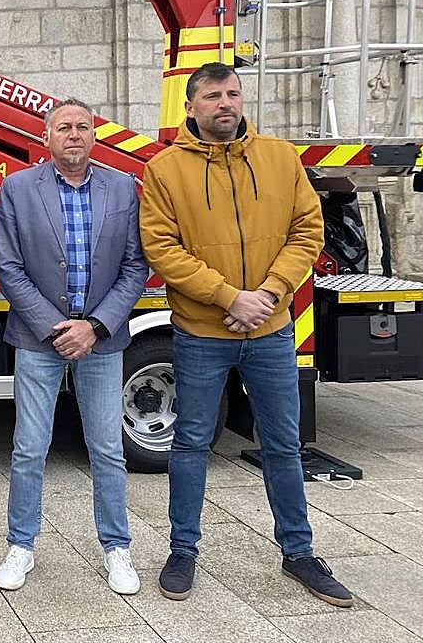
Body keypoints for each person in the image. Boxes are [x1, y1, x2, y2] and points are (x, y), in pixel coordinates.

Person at [139, 62, 354, 607]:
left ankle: (299, 553)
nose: (225, 103)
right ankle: (183, 550)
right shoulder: (165, 170)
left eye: (232, 93)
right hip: (200, 332)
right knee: (189, 443)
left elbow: (308, 230)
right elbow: (162, 248)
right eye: (212, 96)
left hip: (270, 330)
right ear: (190, 107)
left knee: (283, 444)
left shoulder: (281, 159)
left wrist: (268, 293)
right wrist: (228, 297)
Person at [0, 97, 147, 594]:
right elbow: (9, 267)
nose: (74, 134)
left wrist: (95, 326)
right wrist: (57, 326)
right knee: (28, 448)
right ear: (47, 136)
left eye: (83, 127)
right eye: (64, 127)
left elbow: (134, 268)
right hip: (40, 339)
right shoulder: (18, 188)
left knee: (107, 448)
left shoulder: (122, 188)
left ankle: (117, 548)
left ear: (95, 136)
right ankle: (21, 545)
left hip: (101, 340)